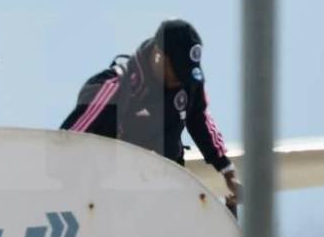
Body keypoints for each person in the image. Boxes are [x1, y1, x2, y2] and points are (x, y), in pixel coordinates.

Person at [61, 19, 242, 213]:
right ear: (158, 56)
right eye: (178, 70)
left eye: (186, 73)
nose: (182, 80)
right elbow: (67, 141)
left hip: (164, 192)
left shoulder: (189, 80)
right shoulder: (115, 88)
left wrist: (226, 169)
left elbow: (199, 118)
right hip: (113, 196)